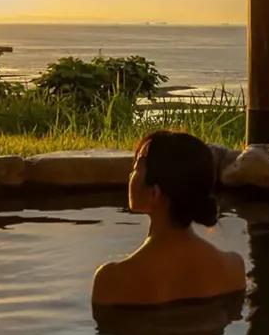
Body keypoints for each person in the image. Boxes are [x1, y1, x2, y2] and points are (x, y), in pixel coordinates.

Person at [91, 130, 246, 307]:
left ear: (154, 193)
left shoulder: (111, 281)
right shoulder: (233, 269)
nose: (130, 175)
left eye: (137, 168)